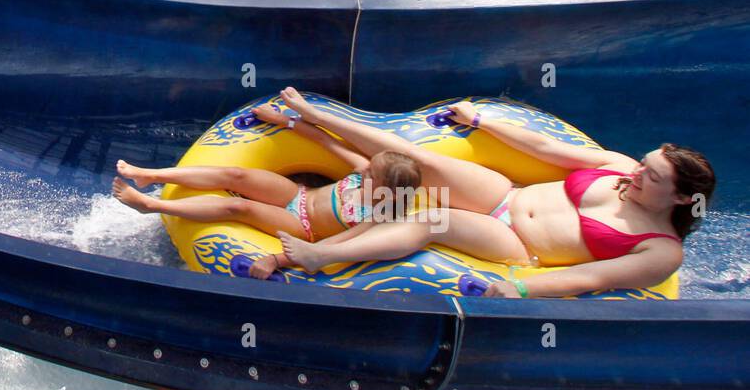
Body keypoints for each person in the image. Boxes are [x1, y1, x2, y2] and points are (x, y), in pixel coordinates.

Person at [271, 94, 714, 299]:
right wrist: (481, 121)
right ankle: (315, 115)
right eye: (643, 163)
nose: (637, 174)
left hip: (519, 245)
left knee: (433, 218)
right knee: (414, 159)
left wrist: (520, 288)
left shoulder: (659, 250)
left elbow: (593, 280)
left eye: (651, 177)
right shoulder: (618, 166)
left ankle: (319, 256)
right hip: (506, 194)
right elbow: (544, 149)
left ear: (678, 198)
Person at [112, 100, 424, 280]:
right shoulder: (361, 174)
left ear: (386, 190)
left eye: (372, 172)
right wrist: (284, 121)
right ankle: (148, 175)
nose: (364, 168)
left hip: (303, 228)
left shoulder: (376, 218)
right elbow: (325, 141)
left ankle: (151, 206)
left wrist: (276, 260)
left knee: (240, 208)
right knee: (235, 174)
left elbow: (334, 247)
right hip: (296, 195)